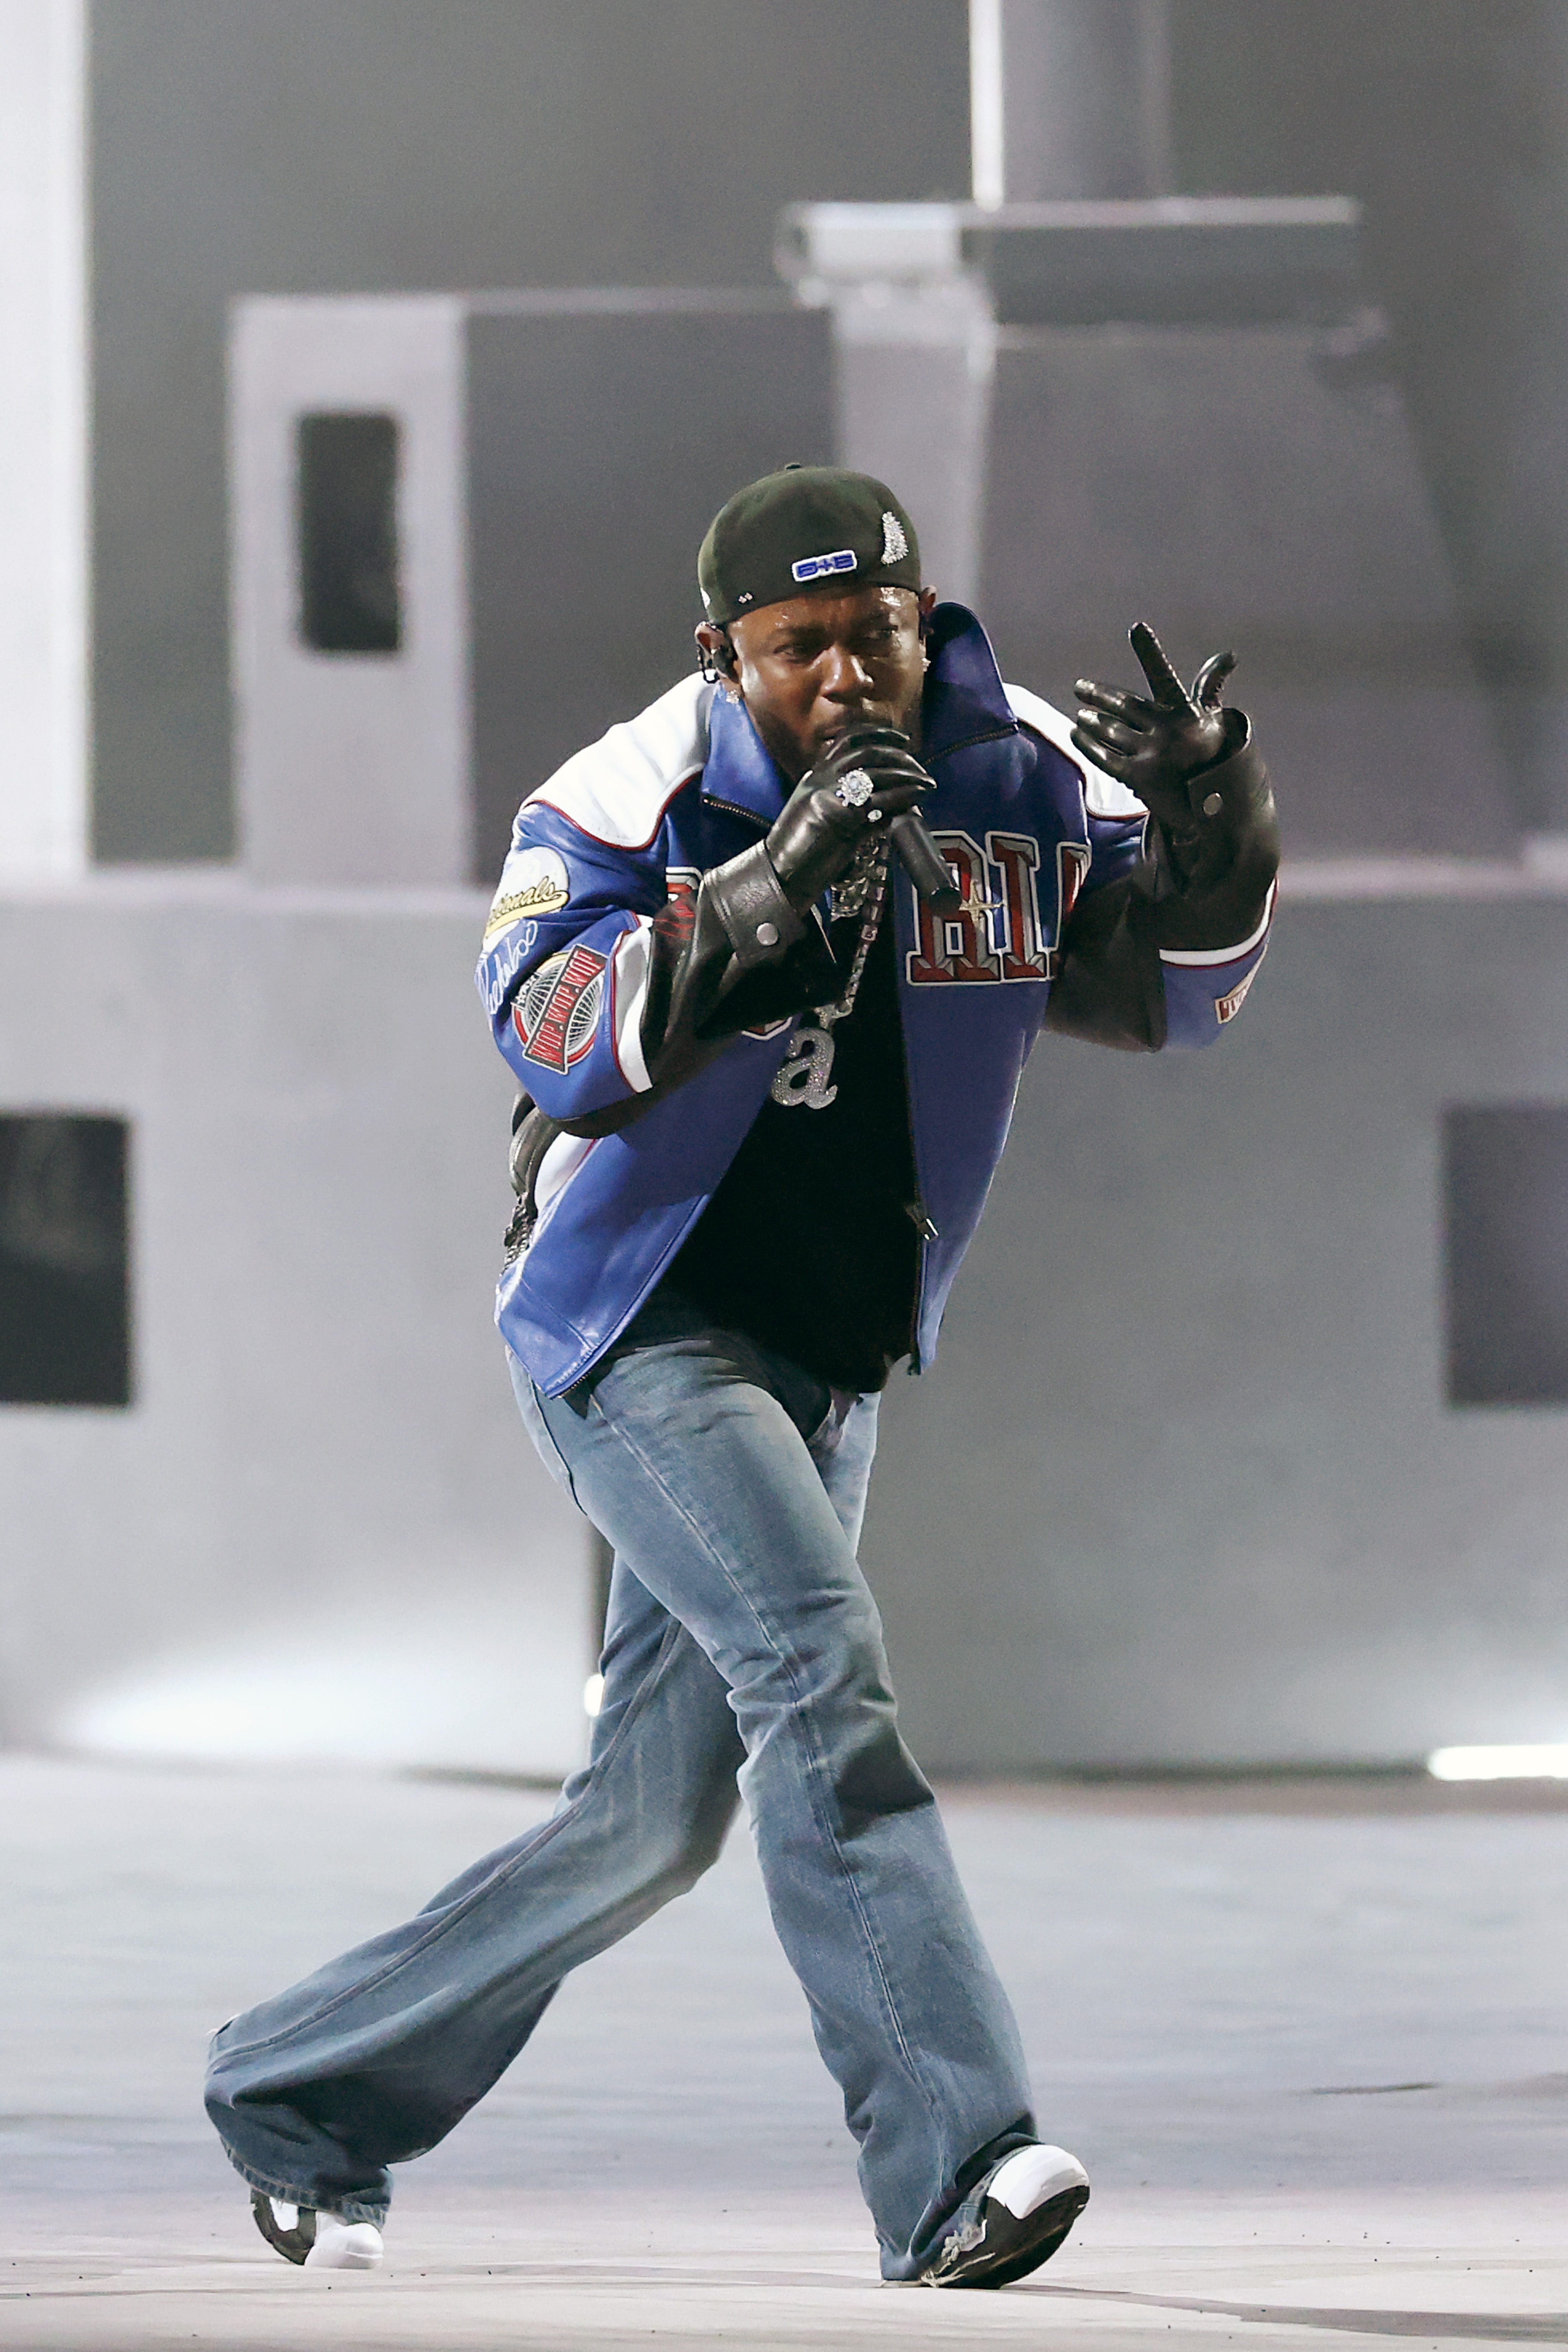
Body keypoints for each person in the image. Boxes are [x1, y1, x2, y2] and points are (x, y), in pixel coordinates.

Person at [206, 466, 1280, 2286]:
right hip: (637, 1324)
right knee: (819, 1677)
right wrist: (766, 891)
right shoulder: (623, 793)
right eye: (798, 652)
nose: (848, 679)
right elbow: (547, 1031)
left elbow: (1168, 995)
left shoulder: (1014, 763)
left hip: (829, 1353)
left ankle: (297, 2094)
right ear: (722, 655)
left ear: (920, 611)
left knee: (645, 1827)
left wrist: (1212, 838)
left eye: (873, 632)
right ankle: (955, 2167)